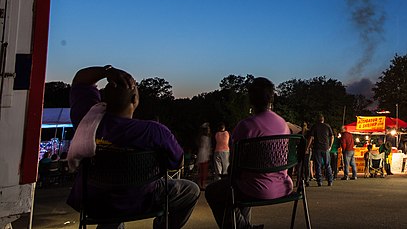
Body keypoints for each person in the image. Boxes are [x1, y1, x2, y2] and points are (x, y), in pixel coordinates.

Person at [66, 65, 199, 229]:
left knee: (110, 197)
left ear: (104, 99)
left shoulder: (86, 119)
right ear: (134, 100)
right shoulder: (153, 132)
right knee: (191, 190)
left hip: (93, 201)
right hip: (140, 200)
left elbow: (80, 80)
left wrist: (107, 71)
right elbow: (176, 163)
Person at [205, 77, 292, 229]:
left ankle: (244, 227)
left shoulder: (245, 126)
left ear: (251, 100)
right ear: (271, 98)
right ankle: (245, 225)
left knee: (213, 191)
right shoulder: (283, 124)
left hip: (255, 188)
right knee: (239, 184)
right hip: (284, 185)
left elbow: (235, 163)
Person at [308, 114, 334, 186]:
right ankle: (330, 180)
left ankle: (319, 181)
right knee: (327, 164)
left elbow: (311, 137)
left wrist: (308, 147)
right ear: (323, 120)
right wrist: (330, 146)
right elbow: (332, 136)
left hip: (317, 148)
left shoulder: (315, 126)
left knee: (318, 165)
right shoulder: (327, 126)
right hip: (325, 148)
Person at [196, 123, 212, 190]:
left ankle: (201, 184)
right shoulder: (205, 138)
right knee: (203, 171)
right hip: (204, 155)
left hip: (202, 154)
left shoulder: (201, 137)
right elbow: (207, 147)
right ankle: (202, 184)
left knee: (202, 171)